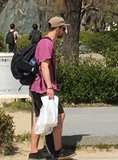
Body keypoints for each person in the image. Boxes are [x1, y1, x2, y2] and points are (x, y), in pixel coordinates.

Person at [29, 17, 74, 160]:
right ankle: (57, 150)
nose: (63, 31)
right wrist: (49, 87)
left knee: (40, 118)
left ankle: (35, 151)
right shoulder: (46, 44)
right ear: (57, 28)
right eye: (63, 29)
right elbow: (44, 66)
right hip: (43, 88)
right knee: (59, 116)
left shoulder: (46, 43)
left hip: (38, 87)